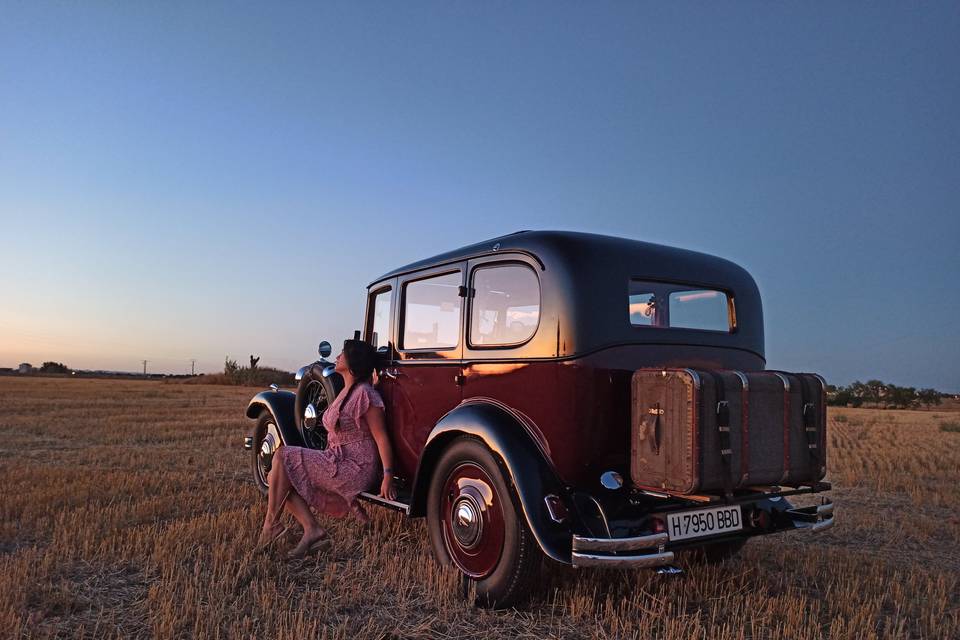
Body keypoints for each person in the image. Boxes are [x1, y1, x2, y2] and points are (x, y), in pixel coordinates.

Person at [256, 339, 396, 559]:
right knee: (276, 473)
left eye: (343, 353)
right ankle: (311, 530)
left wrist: (388, 475)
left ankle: (271, 527)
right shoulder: (346, 390)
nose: (337, 356)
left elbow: (381, 437)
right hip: (336, 459)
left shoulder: (365, 394)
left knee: (283, 456)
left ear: (352, 364)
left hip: (355, 466)